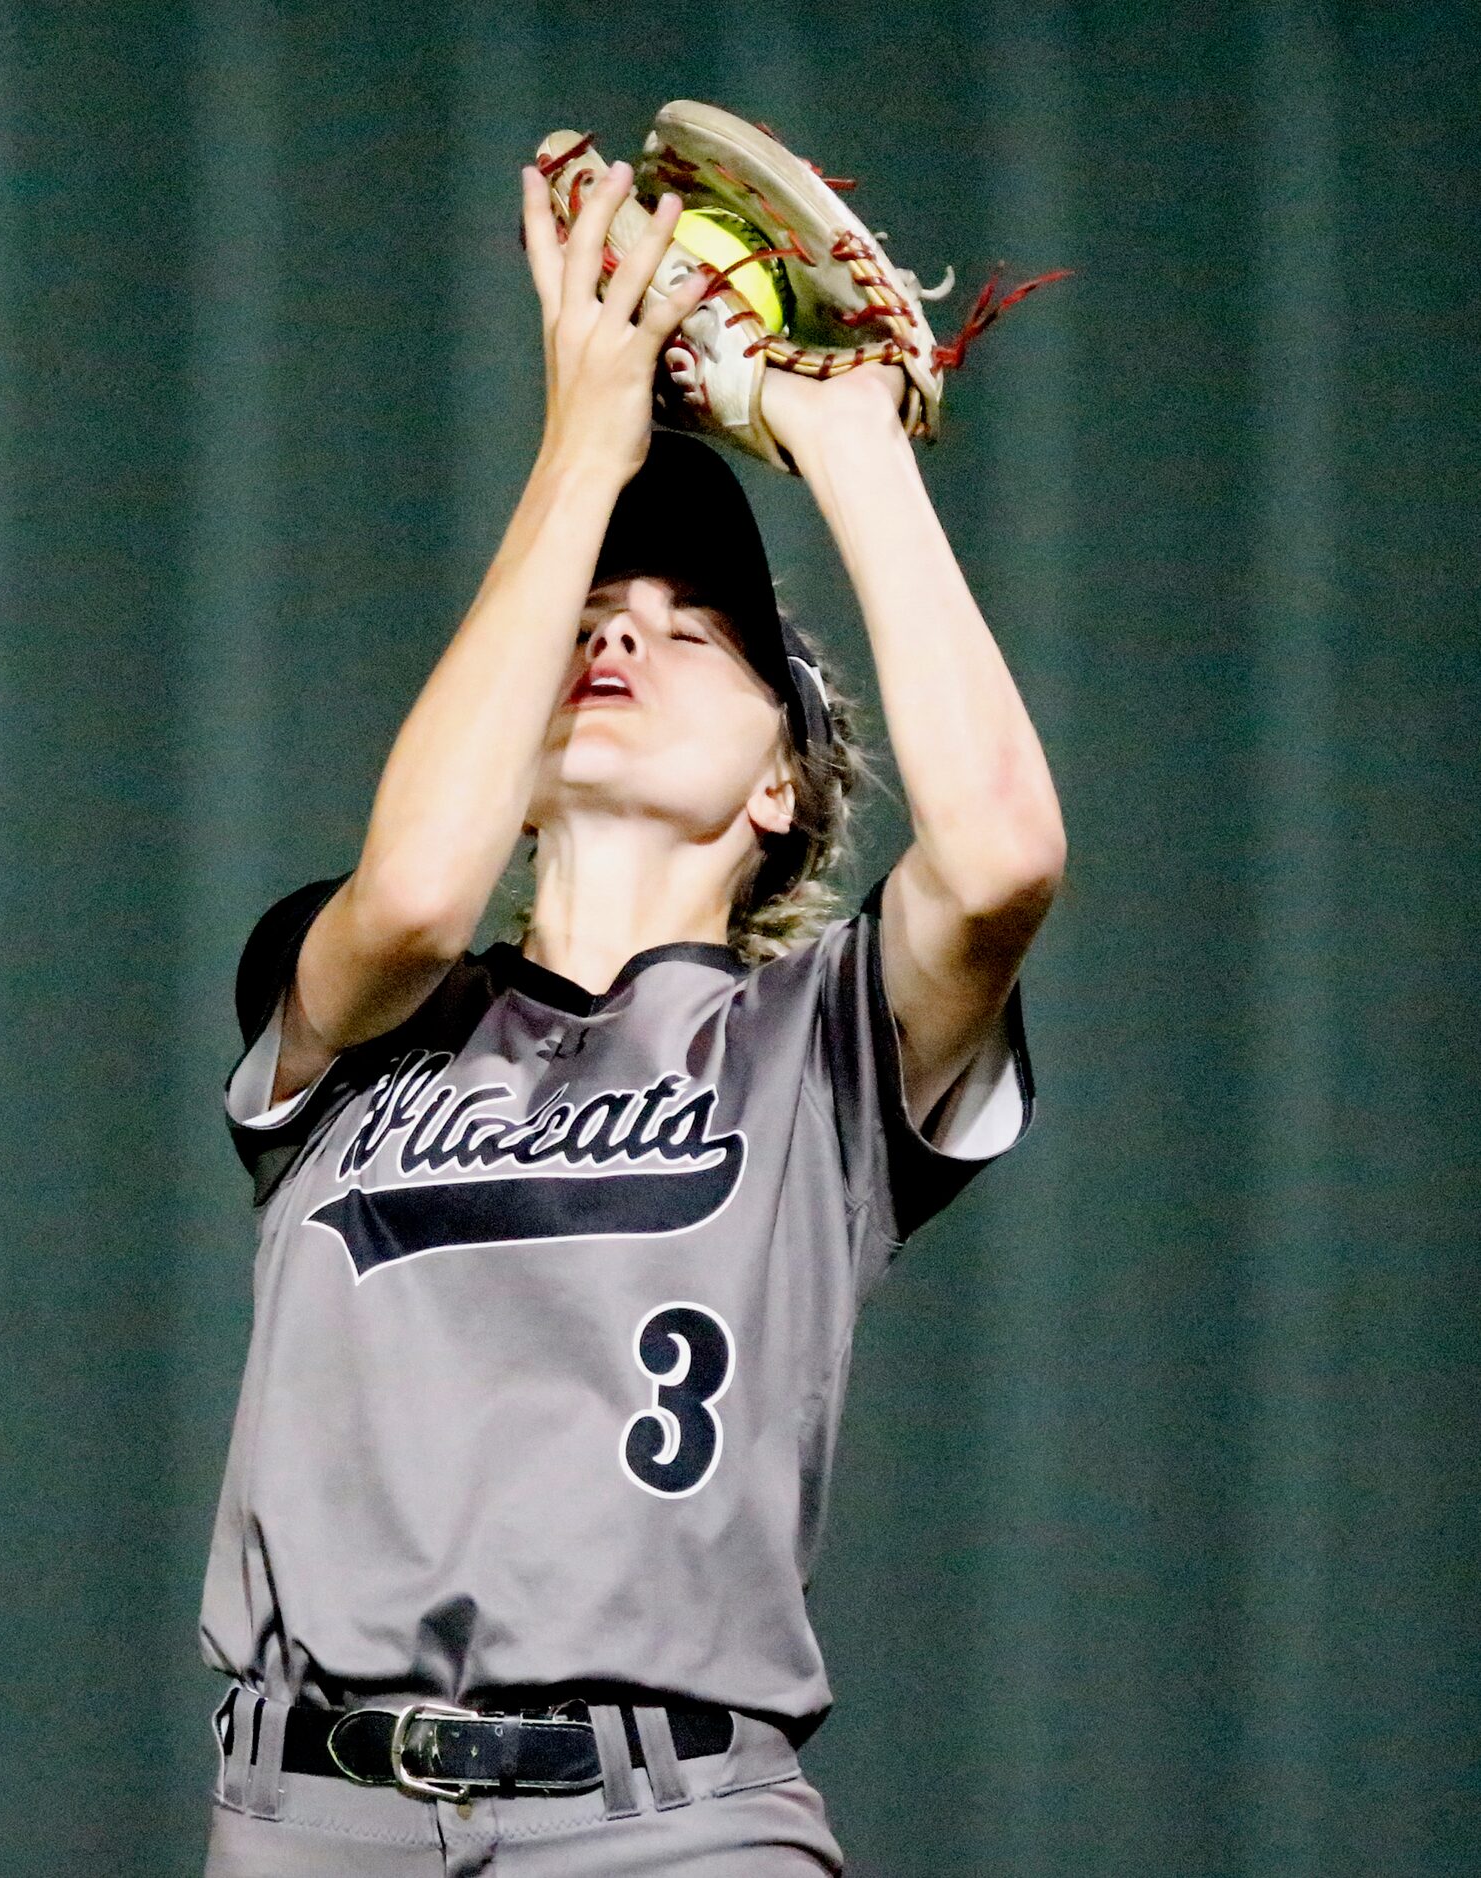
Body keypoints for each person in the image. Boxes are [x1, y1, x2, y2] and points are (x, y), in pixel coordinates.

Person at [198, 156, 1065, 1876]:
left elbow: (1005, 857)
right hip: (310, 1817)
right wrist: (580, 447)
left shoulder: (817, 1047)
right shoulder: (367, 1001)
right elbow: (423, 888)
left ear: (778, 785)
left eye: (693, 633)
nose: (620, 638)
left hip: (668, 1824)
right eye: (592, 619)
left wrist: (852, 446)